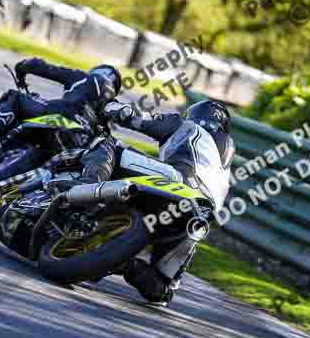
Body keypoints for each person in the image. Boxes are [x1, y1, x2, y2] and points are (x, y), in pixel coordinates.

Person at [80, 100, 235, 305]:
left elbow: (139, 119)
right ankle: (122, 262)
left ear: (195, 115)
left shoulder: (188, 126)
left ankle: (84, 191)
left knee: (108, 145)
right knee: (162, 290)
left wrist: (112, 109)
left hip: (176, 181)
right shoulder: (225, 167)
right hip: (198, 216)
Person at [0, 59, 123, 136]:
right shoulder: (112, 103)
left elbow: (44, 68)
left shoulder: (84, 78)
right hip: (78, 136)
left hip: (58, 113)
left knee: (15, 96)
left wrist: (22, 67)